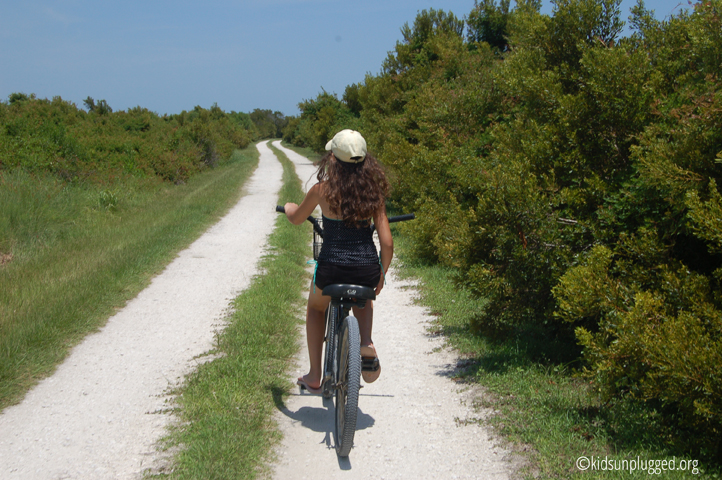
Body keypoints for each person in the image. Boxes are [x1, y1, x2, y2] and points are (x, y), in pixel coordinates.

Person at [283, 129, 392, 394]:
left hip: (331, 267)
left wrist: (289, 208)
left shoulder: (322, 190)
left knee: (315, 309)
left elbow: (297, 217)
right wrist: (381, 273)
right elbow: (387, 243)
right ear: (366, 161)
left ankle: (315, 375)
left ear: (333, 159)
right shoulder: (373, 194)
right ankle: (365, 341)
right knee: (363, 297)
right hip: (365, 267)